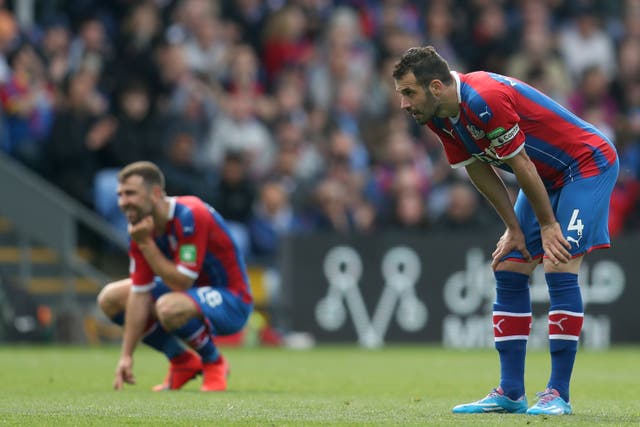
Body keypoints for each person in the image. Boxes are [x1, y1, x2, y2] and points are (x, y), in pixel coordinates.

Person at [392, 46, 618, 415]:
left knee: (558, 261)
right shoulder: (437, 116)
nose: (403, 104)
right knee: (509, 265)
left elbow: (522, 163)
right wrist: (514, 229)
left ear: (435, 86)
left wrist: (548, 226)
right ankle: (511, 392)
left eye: (408, 92)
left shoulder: (484, 97)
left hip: (584, 164)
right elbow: (479, 169)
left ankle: (557, 393)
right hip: (544, 176)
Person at [97, 161, 253, 392]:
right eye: (120, 195)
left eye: (130, 194)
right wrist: (126, 356)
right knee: (110, 299)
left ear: (156, 194)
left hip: (231, 300)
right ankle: (181, 361)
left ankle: (214, 362)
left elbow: (181, 282)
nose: (123, 202)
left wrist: (146, 245)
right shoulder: (141, 230)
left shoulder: (190, 214)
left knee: (168, 307)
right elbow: (140, 295)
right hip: (185, 296)